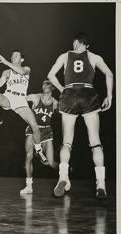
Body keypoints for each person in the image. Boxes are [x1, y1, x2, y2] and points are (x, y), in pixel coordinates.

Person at [47, 32, 113, 199]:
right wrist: (109, 96)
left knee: (67, 141)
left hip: (69, 94)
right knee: (95, 142)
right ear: (87, 45)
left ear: (75, 42)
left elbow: (50, 76)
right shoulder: (93, 56)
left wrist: (63, 90)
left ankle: (63, 177)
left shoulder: (64, 56)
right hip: (88, 93)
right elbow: (110, 74)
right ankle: (100, 183)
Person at [0, 51, 48, 163]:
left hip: (21, 100)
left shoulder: (26, 69)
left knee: (35, 128)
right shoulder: (6, 71)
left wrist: (6, 62)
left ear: (21, 59)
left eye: (16, 55)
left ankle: (38, 150)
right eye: (12, 55)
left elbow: (21, 72)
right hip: (8, 96)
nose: (13, 57)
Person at [20, 79, 59, 194]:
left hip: (46, 131)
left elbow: (66, 113)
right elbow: (17, 100)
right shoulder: (35, 97)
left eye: (48, 83)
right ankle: (29, 185)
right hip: (33, 129)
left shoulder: (56, 103)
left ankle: (64, 174)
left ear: (53, 87)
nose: (45, 85)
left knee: (50, 163)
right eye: (43, 83)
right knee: (28, 155)